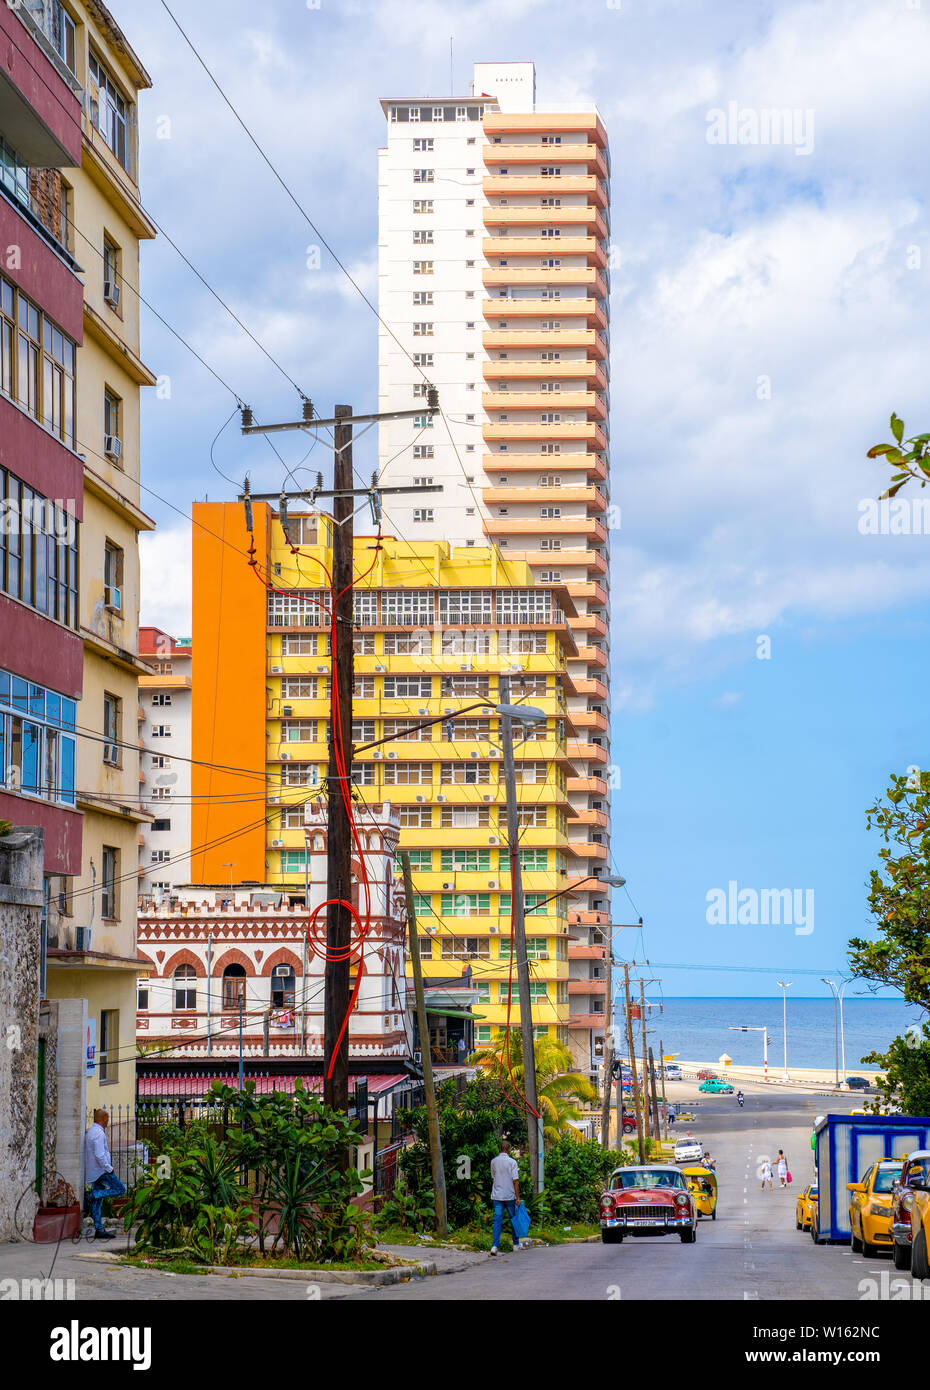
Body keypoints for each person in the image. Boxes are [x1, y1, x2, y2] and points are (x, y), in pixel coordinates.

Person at [83, 1109, 126, 1239]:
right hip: (101, 1171)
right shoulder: (99, 1134)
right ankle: (93, 1195)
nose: (108, 1121)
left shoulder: (92, 1132)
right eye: (107, 1119)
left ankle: (99, 1229)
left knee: (97, 1202)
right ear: (102, 1119)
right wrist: (109, 1168)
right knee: (120, 1189)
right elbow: (99, 1155)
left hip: (94, 1171)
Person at [489, 1138, 523, 1255]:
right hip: (509, 1196)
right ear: (508, 1149)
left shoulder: (493, 1161)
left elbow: (493, 1177)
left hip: (497, 1195)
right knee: (513, 1220)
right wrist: (517, 1197)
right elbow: (515, 1181)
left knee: (497, 1221)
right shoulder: (512, 1162)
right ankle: (515, 1244)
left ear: (500, 1149)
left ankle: (494, 1246)